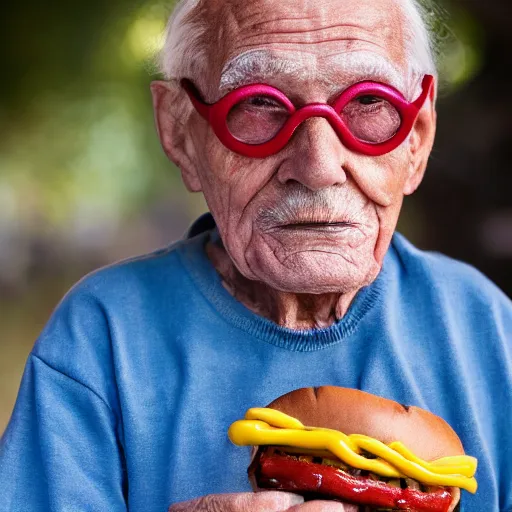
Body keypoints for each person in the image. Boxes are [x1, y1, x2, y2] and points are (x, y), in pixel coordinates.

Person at [1, 0, 511, 510]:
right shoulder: (100, 338)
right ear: (181, 133)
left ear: (417, 140)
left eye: (369, 104)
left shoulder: (492, 332)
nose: (318, 166)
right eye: (259, 104)